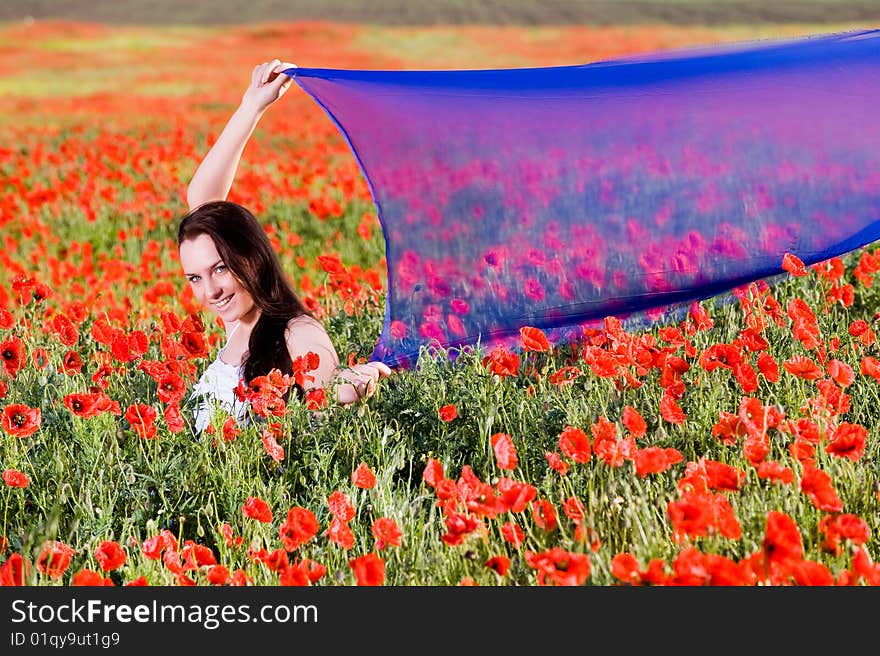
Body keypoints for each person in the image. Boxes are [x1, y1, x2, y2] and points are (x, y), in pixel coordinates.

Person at [178, 59, 391, 433]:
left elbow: (323, 400)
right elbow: (200, 200)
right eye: (194, 278)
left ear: (252, 258)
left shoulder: (296, 331)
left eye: (220, 269)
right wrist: (251, 107)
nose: (210, 291)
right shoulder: (237, 326)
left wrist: (347, 386)